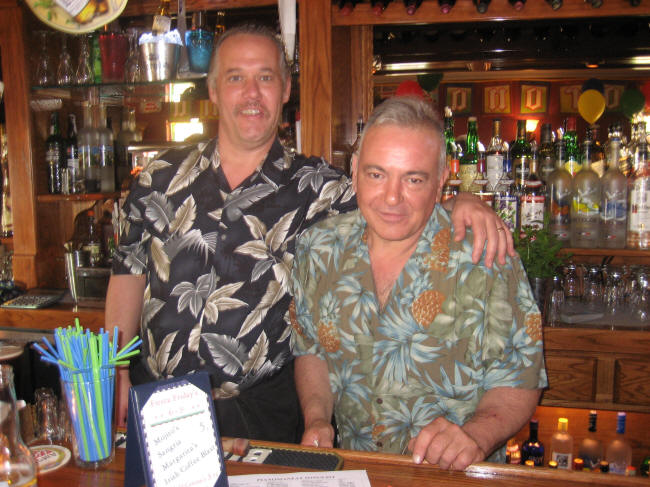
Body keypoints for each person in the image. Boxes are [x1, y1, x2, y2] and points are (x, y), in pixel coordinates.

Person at [106, 24, 513, 443]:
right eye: (235, 77)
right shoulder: (160, 176)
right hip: (157, 404)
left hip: (259, 415)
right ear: (212, 89)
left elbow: (398, 201)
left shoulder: (322, 188)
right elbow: (128, 273)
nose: (251, 93)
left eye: (265, 77)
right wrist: (115, 367)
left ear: (285, 89)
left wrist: (460, 202)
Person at [290, 96, 547, 469]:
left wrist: (476, 435)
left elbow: (521, 377)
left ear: (441, 181)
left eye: (414, 179)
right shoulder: (318, 248)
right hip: (355, 470)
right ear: (355, 171)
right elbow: (311, 349)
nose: (392, 197)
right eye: (377, 175)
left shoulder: (487, 257)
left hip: (453, 476)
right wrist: (317, 419)